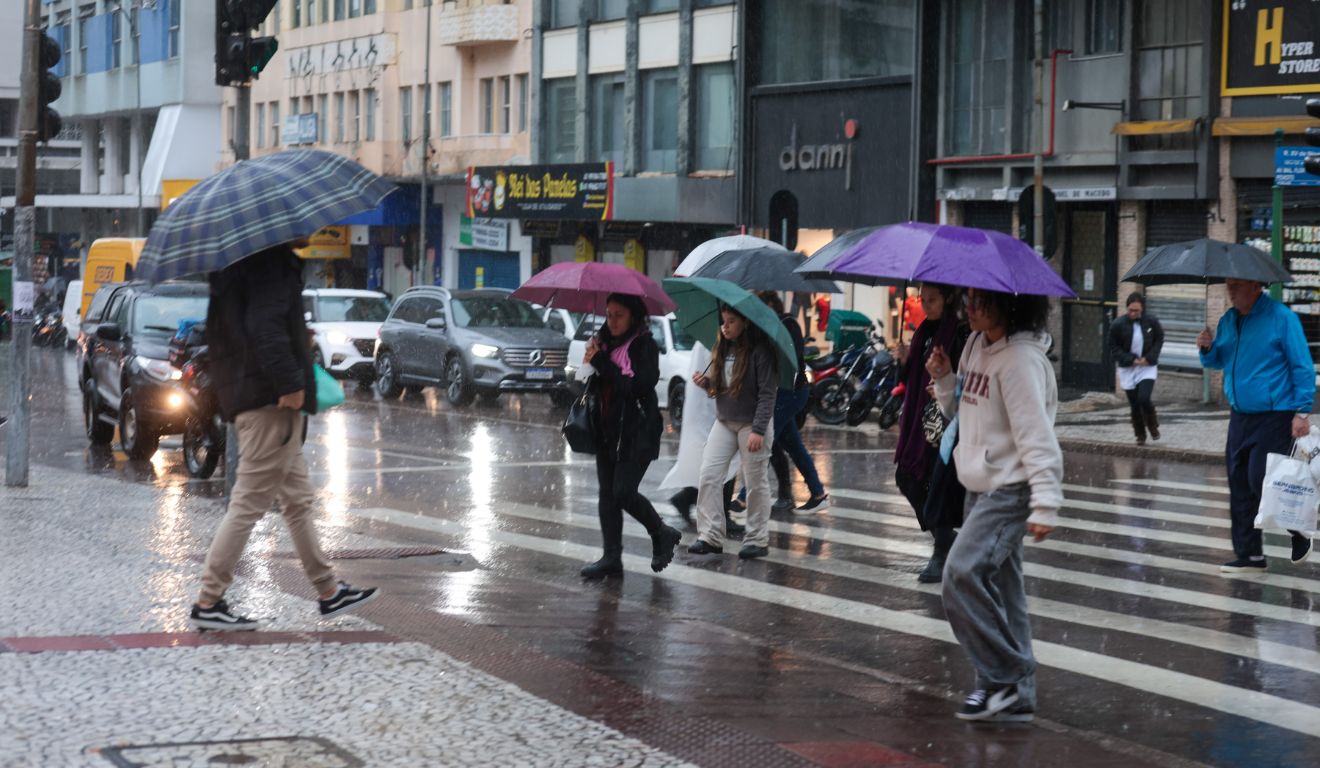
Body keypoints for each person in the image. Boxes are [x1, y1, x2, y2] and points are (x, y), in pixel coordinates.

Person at [191, 242, 378, 631]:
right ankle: (209, 599)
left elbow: (250, 330)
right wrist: (290, 382)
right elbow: (264, 330)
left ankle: (328, 591)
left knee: (297, 502)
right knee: (248, 504)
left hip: (255, 396)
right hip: (272, 404)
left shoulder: (240, 265)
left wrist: (295, 335)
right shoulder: (269, 265)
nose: (310, 229)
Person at [927, 287, 1062, 722]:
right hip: (977, 486)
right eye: (967, 299)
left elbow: (1037, 439)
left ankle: (1006, 674)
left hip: (1010, 488)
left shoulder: (1021, 362)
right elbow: (962, 413)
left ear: (1009, 304)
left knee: (959, 575)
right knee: (1006, 592)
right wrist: (945, 379)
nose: (970, 308)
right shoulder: (973, 346)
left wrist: (1045, 503)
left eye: (980, 301)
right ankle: (1015, 694)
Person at [1197, 278, 1315, 571]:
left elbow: (1302, 364)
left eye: (1237, 285)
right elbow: (1219, 360)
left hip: (1275, 412)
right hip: (1240, 414)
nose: (1231, 291)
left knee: (1259, 478)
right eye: (1228, 285)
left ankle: (1297, 529)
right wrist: (1207, 348)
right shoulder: (1229, 320)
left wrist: (1301, 411)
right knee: (1238, 481)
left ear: (1256, 286)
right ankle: (1250, 555)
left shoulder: (1281, 318)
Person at [579, 293, 683, 579]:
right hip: (606, 430)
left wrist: (602, 362)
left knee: (623, 491)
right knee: (607, 496)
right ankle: (611, 557)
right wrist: (589, 363)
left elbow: (636, 386)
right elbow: (592, 386)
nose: (611, 321)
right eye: (609, 314)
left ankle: (661, 531)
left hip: (637, 431)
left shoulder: (644, 346)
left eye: (618, 315)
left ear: (633, 316)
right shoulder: (602, 343)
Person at [688, 305, 779, 559]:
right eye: (723, 322)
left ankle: (757, 539)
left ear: (745, 323)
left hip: (752, 424)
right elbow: (720, 388)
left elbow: (767, 394)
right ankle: (710, 536)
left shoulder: (761, 351)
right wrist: (706, 384)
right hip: (725, 420)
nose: (725, 327)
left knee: (755, 482)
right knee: (708, 474)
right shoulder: (723, 348)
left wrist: (758, 430)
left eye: (731, 322)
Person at [893, 283, 967, 582]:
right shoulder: (924, 331)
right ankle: (945, 539)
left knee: (933, 484)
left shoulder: (958, 332)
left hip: (944, 421)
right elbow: (910, 377)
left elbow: (962, 378)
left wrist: (945, 388)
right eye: (923, 300)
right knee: (907, 477)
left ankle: (942, 549)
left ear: (948, 297)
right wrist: (903, 361)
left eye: (932, 300)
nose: (926, 306)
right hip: (917, 418)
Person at [757, 291, 828, 512]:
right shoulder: (770, 328)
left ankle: (742, 497)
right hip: (780, 392)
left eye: (763, 308)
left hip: (792, 392)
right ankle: (818, 492)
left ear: (772, 305)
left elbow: (791, 358)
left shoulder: (788, 324)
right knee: (794, 447)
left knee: (766, 440)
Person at [1107, 292, 1165, 446]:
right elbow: (1113, 347)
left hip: (1147, 367)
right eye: (1130, 310)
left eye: (1136, 311)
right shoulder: (1118, 325)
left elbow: (1159, 339)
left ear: (1142, 309)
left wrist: (1149, 358)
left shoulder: (1151, 322)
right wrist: (1130, 359)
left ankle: (1152, 425)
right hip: (1128, 368)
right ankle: (1140, 434)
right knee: (1134, 404)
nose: (1133, 313)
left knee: (1144, 398)